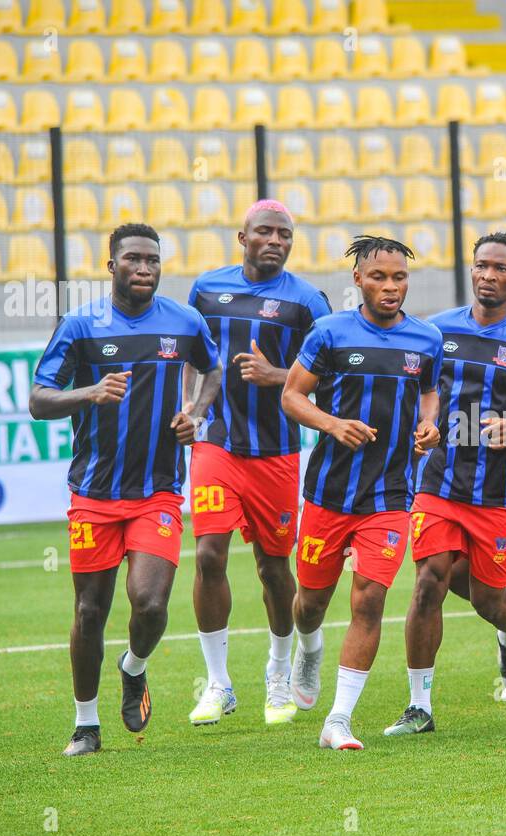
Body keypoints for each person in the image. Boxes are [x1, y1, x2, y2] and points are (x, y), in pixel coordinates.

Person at [30, 223, 223, 756]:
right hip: (93, 493)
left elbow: (213, 370)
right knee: (90, 611)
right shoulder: (81, 325)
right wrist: (90, 392)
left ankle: (133, 666)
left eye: (153, 260)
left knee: (152, 604)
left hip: (157, 490)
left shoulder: (183, 322)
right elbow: (39, 400)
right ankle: (86, 724)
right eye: (134, 259)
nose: (145, 268)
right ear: (111, 265)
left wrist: (196, 416)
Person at [388, 234, 506, 734]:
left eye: (502, 269)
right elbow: (420, 392)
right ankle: (420, 706)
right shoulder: (437, 331)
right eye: (482, 266)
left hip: (502, 493)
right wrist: (423, 425)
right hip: (439, 482)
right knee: (427, 585)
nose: (489, 276)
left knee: (492, 598)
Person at [280, 236, 441, 750]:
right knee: (310, 601)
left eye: (398, 278)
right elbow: (291, 395)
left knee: (368, 599)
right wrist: (332, 425)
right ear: (357, 280)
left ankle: (339, 720)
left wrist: (430, 425)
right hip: (328, 494)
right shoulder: (328, 333)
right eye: (378, 277)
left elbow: (430, 391)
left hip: (391, 495)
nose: (390, 287)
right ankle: (308, 647)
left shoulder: (426, 339)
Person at [184, 200, 332, 728]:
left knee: (274, 566)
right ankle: (219, 683)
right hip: (216, 444)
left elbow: (333, 373)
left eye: (285, 234)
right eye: (264, 232)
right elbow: (193, 358)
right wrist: (190, 411)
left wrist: (277, 376)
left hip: (276, 451)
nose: (275, 240)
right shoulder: (205, 289)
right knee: (208, 556)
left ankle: (278, 667)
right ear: (241, 236)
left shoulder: (308, 301)